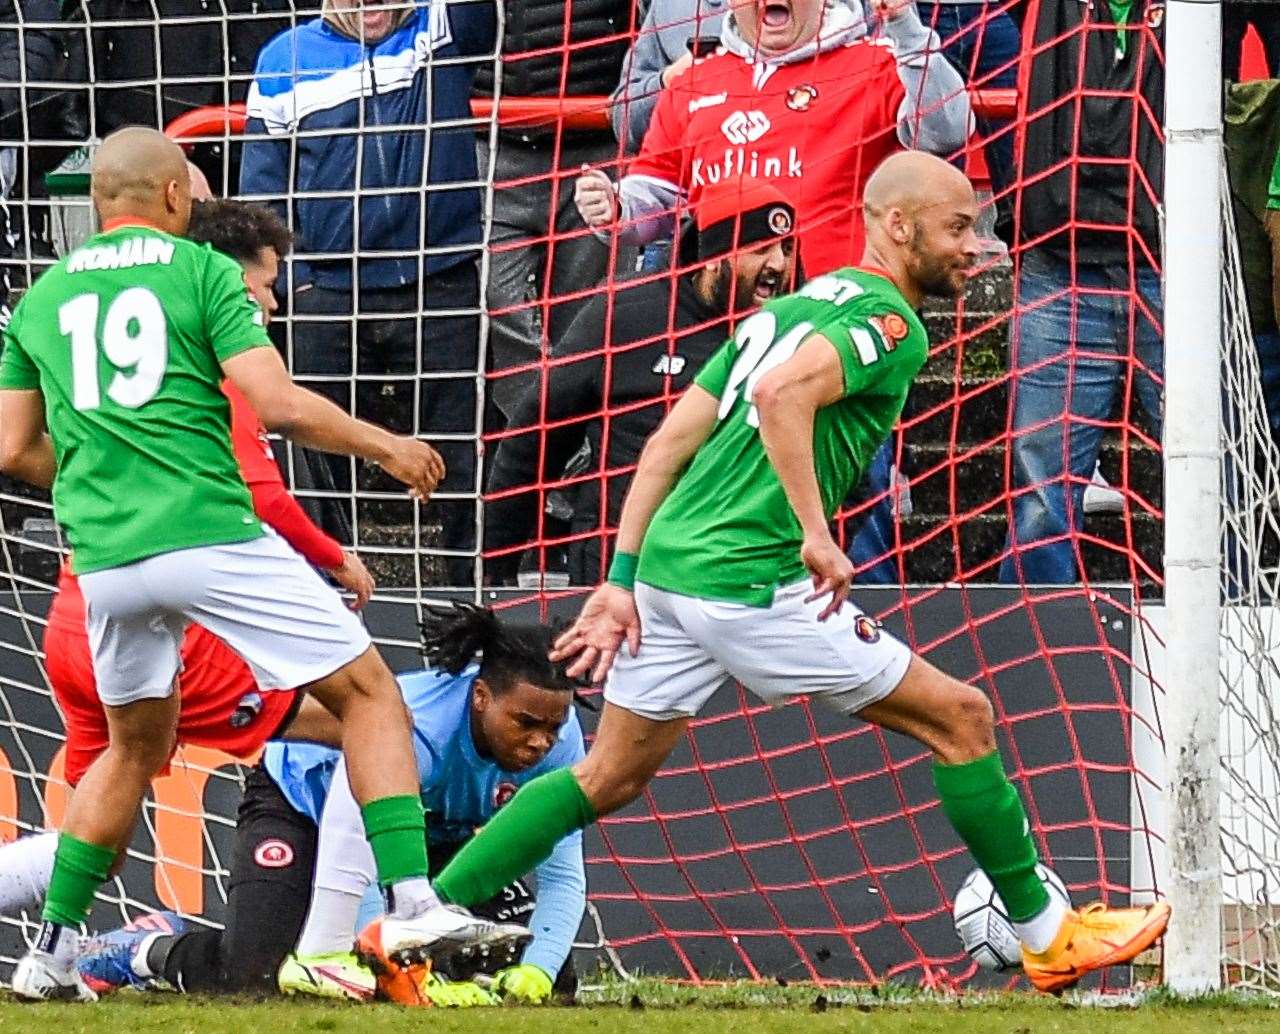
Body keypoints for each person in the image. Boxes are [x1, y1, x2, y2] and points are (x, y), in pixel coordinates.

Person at [404, 152, 1172, 996]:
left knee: (605, 778)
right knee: (963, 718)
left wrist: (621, 577)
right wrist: (815, 533)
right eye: (959, 227)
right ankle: (1046, 933)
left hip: (668, 573)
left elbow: (665, 445)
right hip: (748, 582)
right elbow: (781, 398)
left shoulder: (789, 308)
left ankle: (411, 925)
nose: (976, 247)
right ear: (897, 224)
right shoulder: (888, 321)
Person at [0, 127, 515, 1001]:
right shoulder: (201, 271)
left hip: (104, 565)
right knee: (369, 696)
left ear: (98, 203)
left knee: (132, 751)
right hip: (206, 536)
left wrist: (108, 476)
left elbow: (12, 448)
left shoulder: (40, 300)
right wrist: (384, 444)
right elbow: (273, 403)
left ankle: (48, 953)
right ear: (175, 199)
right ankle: (415, 900)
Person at [78, 605, 586, 1009]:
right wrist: (389, 965)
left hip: (431, 835)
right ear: (479, 697)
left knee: (551, 971)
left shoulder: (560, 743)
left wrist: (537, 972)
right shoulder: (416, 733)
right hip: (305, 808)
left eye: (552, 729)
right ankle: (148, 947)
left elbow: (563, 874)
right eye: (525, 724)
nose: (541, 743)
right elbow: (358, 849)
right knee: (257, 979)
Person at [241, 0, 496, 585]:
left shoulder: (440, 27)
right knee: (313, 457)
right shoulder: (282, 59)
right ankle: (324, 598)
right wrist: (296, 282)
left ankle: (473, 601)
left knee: (460, 456)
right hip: (327, 291)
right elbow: (261, 190)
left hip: (441, 281)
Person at [485, 179, 799, 585]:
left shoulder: (803, 331)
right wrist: (494, 574)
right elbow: (534, 439)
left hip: (748, 570)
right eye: (760, 249)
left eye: (788, 250)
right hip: (620, 573)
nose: (779, 265)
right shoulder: (628, 312)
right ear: (712, 257)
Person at [575, 0, 970, 274]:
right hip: (718, 314)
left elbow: (948, 131)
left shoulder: (877, 62)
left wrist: (907, 30)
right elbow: (659, 190)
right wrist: (619, 207)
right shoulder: (695, 79)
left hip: (837, 313)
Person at [999, 0, 1163, 584]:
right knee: (1044, 491)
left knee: (1212, 472)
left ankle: (1234, 609)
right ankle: (1031, 637)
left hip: (1173, 267)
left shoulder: (1205, 18)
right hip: (1058, 262)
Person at [475, 0, 634, 418]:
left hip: (593, 141)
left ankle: (575, 450)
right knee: (496, 298)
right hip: (495, 146)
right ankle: (538, 433)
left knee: (584, 311)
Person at [912, 0, 1020, 244]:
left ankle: (1031, 275)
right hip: (915, 14)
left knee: (1025, 168)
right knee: (930, 185)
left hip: (1000, 11)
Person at [608, 0, 729, 155]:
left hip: (761, 161)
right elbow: (624, 120)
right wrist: (667, 81)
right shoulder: (668, 7)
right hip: (686, 167)